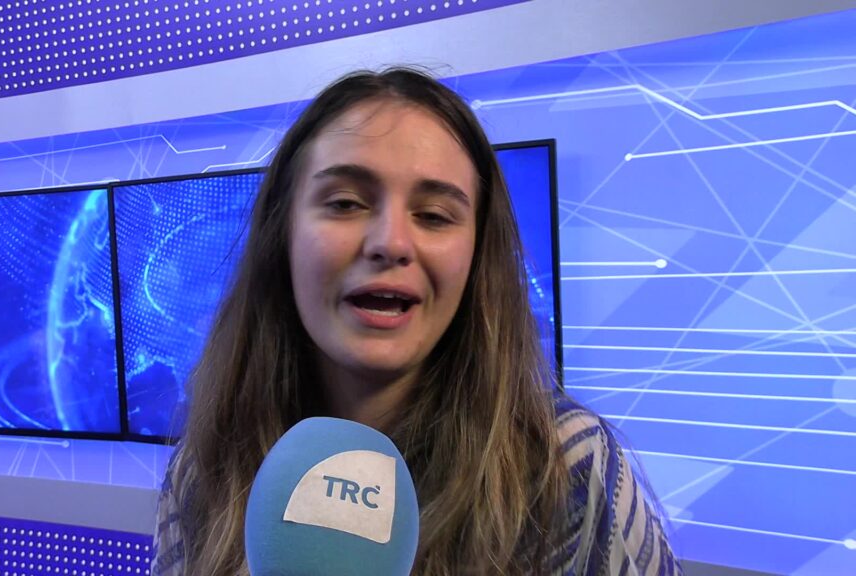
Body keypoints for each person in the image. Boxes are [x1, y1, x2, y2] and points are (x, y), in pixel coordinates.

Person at [151, 67, 681, 575]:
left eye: (433, 215)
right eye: (345, 203)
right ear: (281, 234)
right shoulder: (203, 467)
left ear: (476, 256)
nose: (391, 242)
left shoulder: (568, 464)